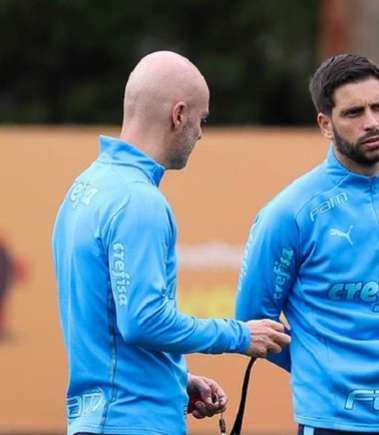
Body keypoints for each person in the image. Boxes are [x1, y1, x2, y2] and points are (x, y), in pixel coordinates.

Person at [52, 51, 291, 435]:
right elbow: (143, 320)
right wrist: (241, 335)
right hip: (133, 423)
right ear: (178, 114)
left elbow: (109, 326)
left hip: (100, 418)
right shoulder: (139, 200)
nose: (200, 133)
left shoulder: (85, 188)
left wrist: (174, 380)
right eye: (201, 119)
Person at [235, 54, 379, 434]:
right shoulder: (289, 212)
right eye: (354, 113)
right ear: (326, 125)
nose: (372, 122)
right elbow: (252, 319)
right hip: (333, 422)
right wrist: (324, 359)